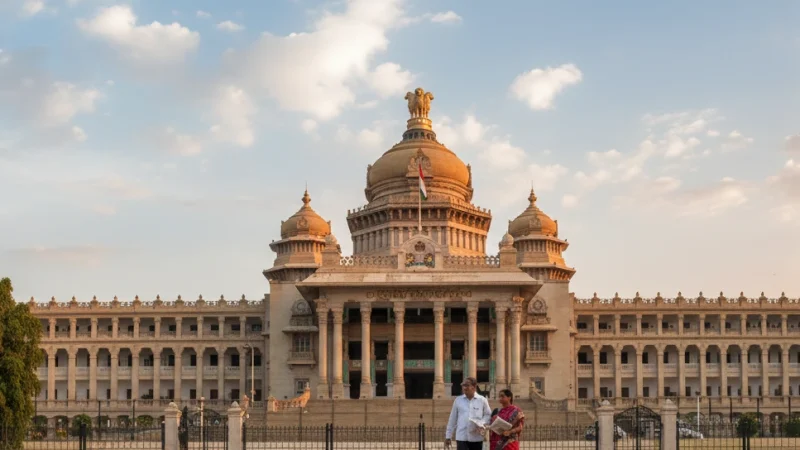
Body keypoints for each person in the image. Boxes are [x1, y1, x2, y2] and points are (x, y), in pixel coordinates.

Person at [445, 377, 492, 450]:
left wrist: (481, 423)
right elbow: (452, 419)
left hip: (476, 438)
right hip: (461, 437)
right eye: (463, 385)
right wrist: (448, 436)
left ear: (474, 387)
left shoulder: (482, 400)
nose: (464, 387)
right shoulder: (458, 400)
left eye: (467, 385)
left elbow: (488, 415)